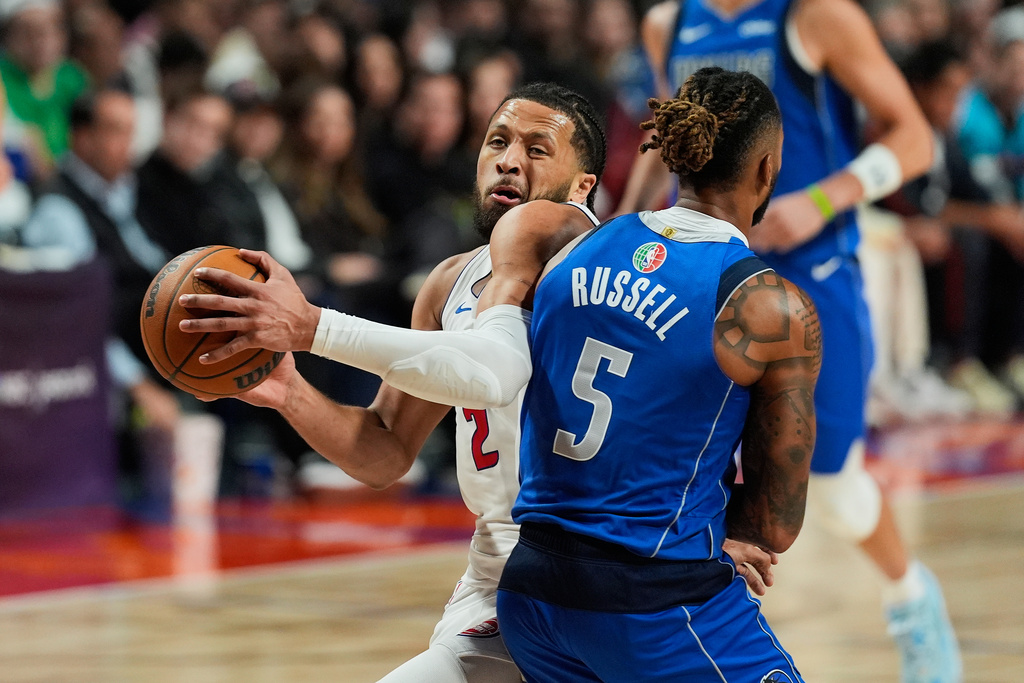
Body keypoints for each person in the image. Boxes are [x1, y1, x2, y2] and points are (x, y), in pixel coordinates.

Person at [179, 82, 775, 682]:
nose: (509, 160)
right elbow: (385, 449)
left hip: (587, 567)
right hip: (497, 576)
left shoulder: (583, 251)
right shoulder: (450, 281)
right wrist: (289, 391)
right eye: (497, 141)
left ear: (583, 187)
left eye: (537, 149)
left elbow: (493, 372)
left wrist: (313, 327)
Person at [617, 0, 962, 679]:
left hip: (812, 272)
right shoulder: (667, 23)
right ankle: (696, 632)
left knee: (832, 489)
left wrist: (822, 200)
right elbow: (669, 140)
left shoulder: (816, 15)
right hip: (703, 273)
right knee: (683, 464)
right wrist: (621, 225)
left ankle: (911, 596)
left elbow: (915, 138)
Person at [495, 66, 815, 682]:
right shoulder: (765, 305)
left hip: (530, 592)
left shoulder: (575, 246)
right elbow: (774, 523)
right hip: (651, 604)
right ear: (767, 168)